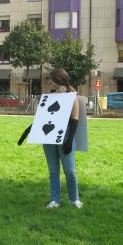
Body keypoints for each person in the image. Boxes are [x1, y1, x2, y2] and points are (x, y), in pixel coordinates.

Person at [43, 68, 83, 209]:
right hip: (49, 138)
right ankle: (55, 200)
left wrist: (69, 140)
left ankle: (74, 199)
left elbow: (75, 119)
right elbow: (45, 117)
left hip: (65, 136)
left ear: (58, 79)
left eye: (51, 79)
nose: (49, 82)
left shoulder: (72, 97)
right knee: (53, 171)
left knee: (70, 171)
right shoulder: (50, 97)